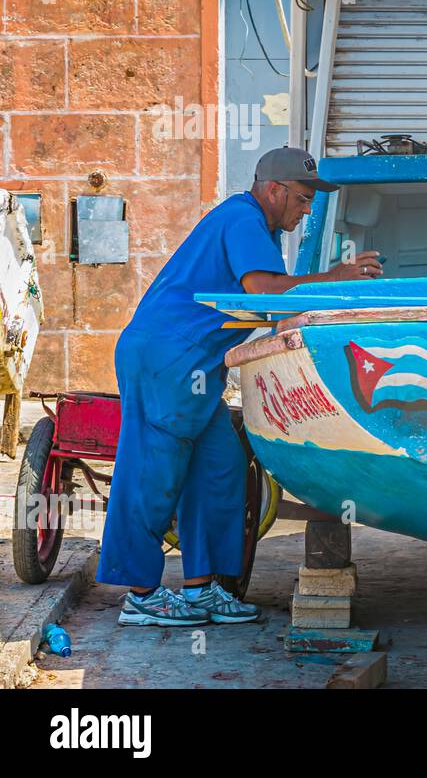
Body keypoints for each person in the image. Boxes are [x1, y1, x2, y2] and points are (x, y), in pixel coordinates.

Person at [97, 147, 383, 626]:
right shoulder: (242, 218)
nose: (307, 209)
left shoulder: (259, 229)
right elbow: (264, 292)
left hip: (196, 362)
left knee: (219, 467)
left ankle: (200, 589)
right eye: (303, 198)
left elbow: (272, 302)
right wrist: (335, 278)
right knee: (153, 471)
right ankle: (141, 595)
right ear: (273, 190)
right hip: (167, 357)